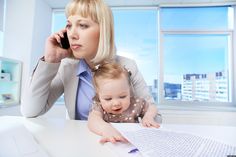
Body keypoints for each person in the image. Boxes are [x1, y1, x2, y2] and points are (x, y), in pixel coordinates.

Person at [21, 0, 161, 142]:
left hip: (121, 144)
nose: (72, 34)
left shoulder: (127, 66)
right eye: (69, 26)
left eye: (82, 25)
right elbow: (30, 110)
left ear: (103, 31)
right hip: (80, 144)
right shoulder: (67, 67)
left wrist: (145, 121)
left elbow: (156, 117)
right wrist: (50, 60)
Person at [88, 62, 160, 143]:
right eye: (108, 99)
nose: (116, 103)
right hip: (110, 142)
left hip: (132, 141)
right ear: (99, 96)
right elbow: (92, 120)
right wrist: (105, 129)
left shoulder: (136, 104)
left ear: (129, 91)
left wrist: (148, 117)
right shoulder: (100, 107)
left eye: (122, 96)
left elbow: (152, 107)